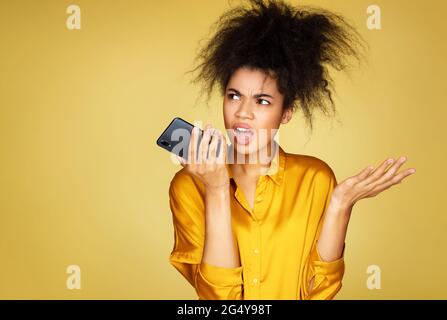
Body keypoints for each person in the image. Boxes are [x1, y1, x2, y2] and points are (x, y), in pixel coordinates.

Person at [168, 0, 416, 300]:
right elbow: (219, 300)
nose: (243, 113)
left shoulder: (316, 178)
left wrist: (340, 205)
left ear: (286, 112)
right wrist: (218, 190)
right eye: (234, 96)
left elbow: (318, 292)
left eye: (262, 101)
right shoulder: (188, 186)